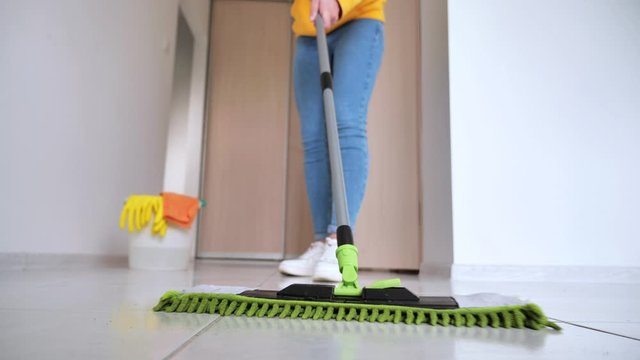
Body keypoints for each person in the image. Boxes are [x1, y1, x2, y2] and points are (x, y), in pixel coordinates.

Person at [279, 0, 386, 281]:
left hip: (359, 20)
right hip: (309, 29)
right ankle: (320, 242)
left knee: (346, 123)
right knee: (314, 137)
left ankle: (338, 242)